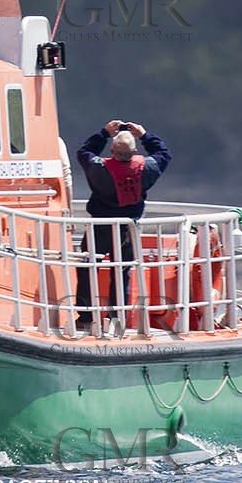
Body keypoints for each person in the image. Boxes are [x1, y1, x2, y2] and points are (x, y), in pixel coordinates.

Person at [75, 118, 171, 331]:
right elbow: (164, 154)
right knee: (121, 272)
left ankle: (85, 317)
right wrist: (144, 135)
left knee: (87, 269)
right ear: (135, 150)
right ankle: (117, 318)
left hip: (99, 227)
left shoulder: (98, 168)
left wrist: (104, 132)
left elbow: (84, 152)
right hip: (128, 228)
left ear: (111, 150)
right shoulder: (148, 168)